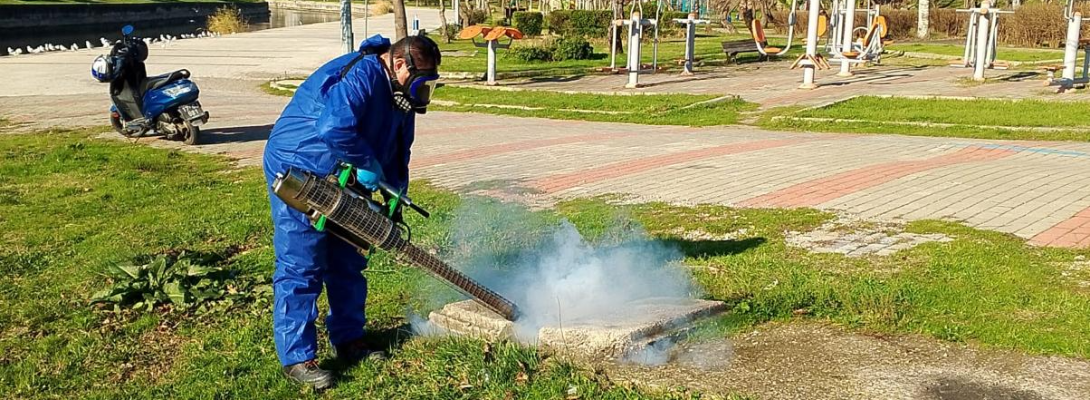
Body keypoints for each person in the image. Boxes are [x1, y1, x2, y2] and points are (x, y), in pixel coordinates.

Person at [261, 33, 441, 390]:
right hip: (300, 164)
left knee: (349, 257)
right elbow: (333, 127)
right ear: (400, 63)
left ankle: (348, 339)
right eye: (420, 83)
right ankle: (298, 358)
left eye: (429, 86)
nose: (421, 93)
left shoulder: (400, 96)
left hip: (345, 171)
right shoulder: (362, 75)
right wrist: (366, 161)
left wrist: (395, 197)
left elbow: (398, 150)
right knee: (303, 262)